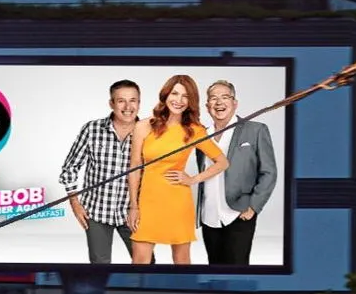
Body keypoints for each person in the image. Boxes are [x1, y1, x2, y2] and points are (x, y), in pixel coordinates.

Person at [128, 74, 228, 265]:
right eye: (175, 93)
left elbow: (222, 162)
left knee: (182, 261)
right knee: (140, 261)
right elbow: (134, 168)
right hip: (147, 202)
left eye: (185, 96)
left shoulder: (194, 130)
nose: (179, 100)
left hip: (178, 202)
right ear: (166, 94)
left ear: (191, 101)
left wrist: (192, 179)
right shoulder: (143, 126)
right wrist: (133, 206)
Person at [195, 80, 279, 265]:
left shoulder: (256, 130)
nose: (219, 102)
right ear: (207, 106)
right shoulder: (201, 136)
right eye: (213, 98)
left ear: (235, 103)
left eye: (225, 97)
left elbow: (269, 172)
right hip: (209, 216)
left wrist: (254, 206)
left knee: (237, 270)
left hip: (240, 213)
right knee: (214, 270)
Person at [57, 79, 140, 264]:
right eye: (121, 101)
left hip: (134, 213)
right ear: (111, 103)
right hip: (96, 212)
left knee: (146, 263)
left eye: (133, 100)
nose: (128, 107)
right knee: (99, 266)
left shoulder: (148, 132)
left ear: (139, 103)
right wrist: (75, 203)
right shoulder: (92, 129)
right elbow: (70, 168)